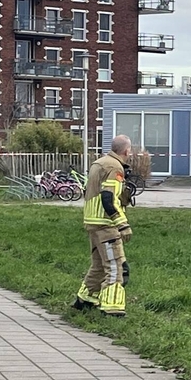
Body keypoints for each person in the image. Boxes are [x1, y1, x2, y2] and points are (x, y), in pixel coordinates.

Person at [74, 135, 134, 316]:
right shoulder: (114, 167)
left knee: (99, 265)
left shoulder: (99, 163)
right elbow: (108, 197)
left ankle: (85, 299)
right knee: (117, 266)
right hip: (106, 224)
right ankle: (112, 307)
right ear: (126, 151)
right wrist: (122, 224)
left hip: (92, 221)